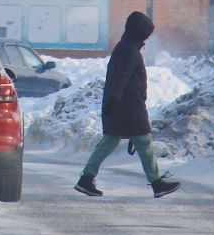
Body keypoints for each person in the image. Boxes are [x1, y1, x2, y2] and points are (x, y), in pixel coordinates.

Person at [74, 10, 180, 198]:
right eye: (146, 33)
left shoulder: (126, 47)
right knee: (144, 142)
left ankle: (86, 178)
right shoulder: (130, 51)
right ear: (140, 32)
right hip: (128, 107)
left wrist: (113, 101)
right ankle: (156, 183)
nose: (147, 39)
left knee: (110, 142)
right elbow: (121, 78)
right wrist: (115, 100)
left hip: (122, 106)